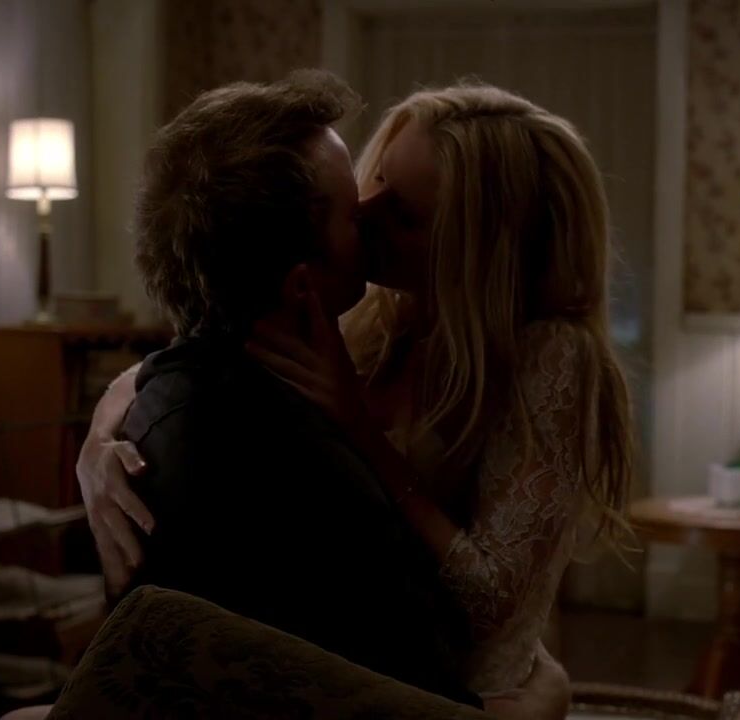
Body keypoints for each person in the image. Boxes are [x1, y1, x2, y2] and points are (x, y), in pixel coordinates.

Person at [80, 81, 637, 719]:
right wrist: (100, 439)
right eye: (377, 181)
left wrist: (362, 431)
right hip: (376, 685)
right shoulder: (382, 317)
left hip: (459, 694)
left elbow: (491, 602)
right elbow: (216, 352)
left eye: (404, 215)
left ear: (480, 250)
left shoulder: (550, 353)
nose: (366, 212)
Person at [93, 71, 480, 709]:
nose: (371, 217)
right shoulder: (299, 464)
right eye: (353, 215)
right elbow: (420, 696)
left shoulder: (174, 394)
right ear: (301, 286)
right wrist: (537, 702)